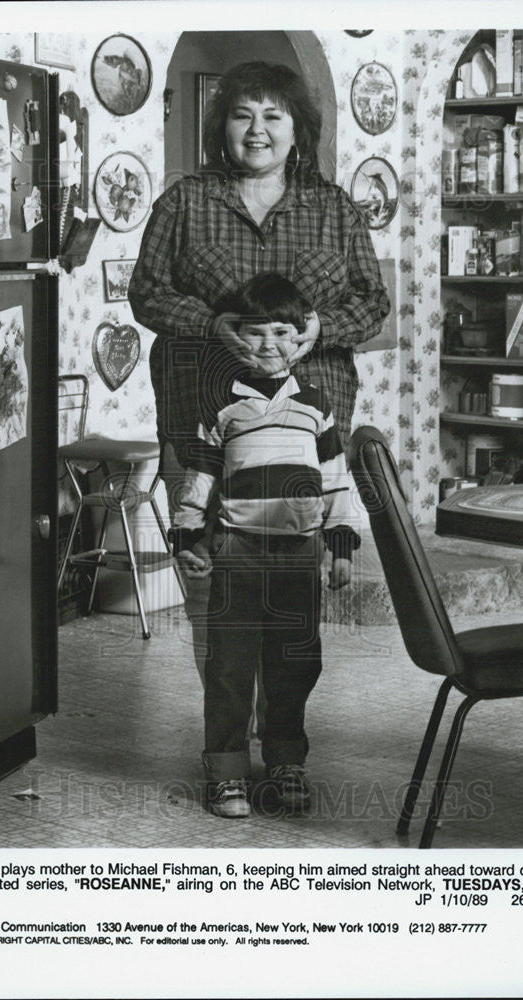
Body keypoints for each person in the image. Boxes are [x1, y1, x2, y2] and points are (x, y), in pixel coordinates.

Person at [127, 60, 390, 686]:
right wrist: (209, 323)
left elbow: (373, 302)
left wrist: (323, 328)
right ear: (223, 127)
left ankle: (281, 746)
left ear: (299, 129)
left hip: (307, 431)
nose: (257, 129)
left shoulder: (335, 211)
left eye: (274, 115)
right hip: (201, 425)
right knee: (209, 583)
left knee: (290, 598)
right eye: (243, 114)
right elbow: (146, 294)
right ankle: (226, 745)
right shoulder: (184, 203)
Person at [170, 273, 361, 818]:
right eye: (255, 334)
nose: (269, 345)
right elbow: (201, 478)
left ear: (302, 338)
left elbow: (335, 479)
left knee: (294, 663)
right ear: (235, 338)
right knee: (230, 665)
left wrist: (340, 545)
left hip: (299, 553)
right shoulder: (222, 405)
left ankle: (285, 762)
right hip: (236, 550)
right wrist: (188, 535)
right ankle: (226, 770)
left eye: (283, 332)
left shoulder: (316, 406)